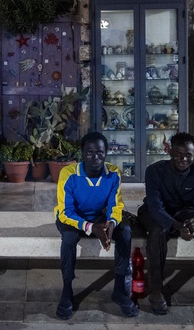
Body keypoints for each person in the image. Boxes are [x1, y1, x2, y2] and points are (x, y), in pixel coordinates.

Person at [138, 132, 194, 315]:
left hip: (185, 211)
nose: (184, 159)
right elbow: (155, 207)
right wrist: (178, 226)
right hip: (155, 212)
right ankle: (156, 290)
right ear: (170, 152)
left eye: (189, 155)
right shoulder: (154, 171)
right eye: (179, 154)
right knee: (157, 233)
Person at [54, 131, 138, 320]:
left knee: (125, 231)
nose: (95, 157)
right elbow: (65, 212)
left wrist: (112, 223)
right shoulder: (69, 174)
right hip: (73, 218)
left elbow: (115, 205)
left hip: (100, 217)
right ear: (82, 154)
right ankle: (67, 291)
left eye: (100, 152)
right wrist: (91, 227)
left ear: (106, 153)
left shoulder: (113, 173)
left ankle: (119, 290)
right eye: (90, 152)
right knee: (69, 238)